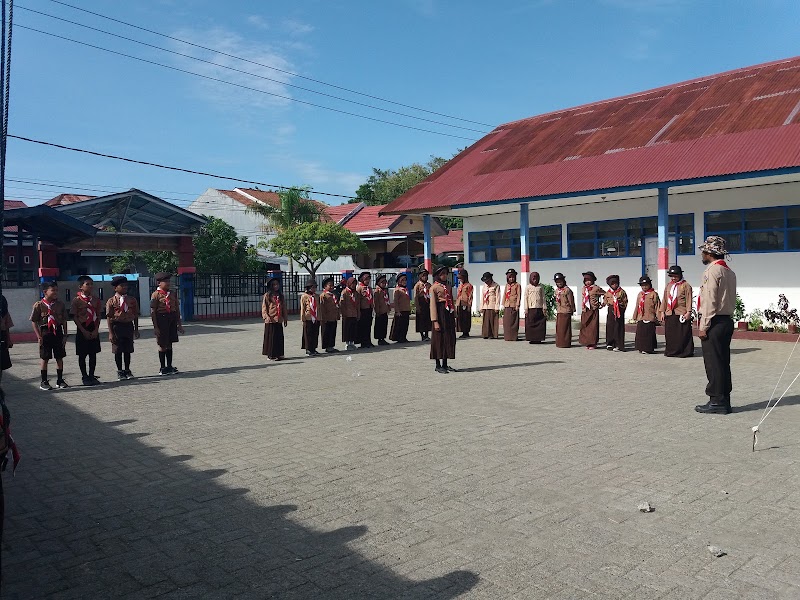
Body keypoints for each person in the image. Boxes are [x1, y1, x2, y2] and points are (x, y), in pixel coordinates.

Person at [695, 236, 737, 415]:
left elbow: (710, 300)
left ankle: (716, 401)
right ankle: (724, 399)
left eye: (703, 251)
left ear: (709, 253)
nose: (702, 255)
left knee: (713, 363)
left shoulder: (712, 271)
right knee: (722, 362)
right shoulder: (729, 272)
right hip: (726, 320)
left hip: (714, 321)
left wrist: (704, 325)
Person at [31, 281, 69, 390]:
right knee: (45, 357)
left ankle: (60, 380)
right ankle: (44, 381)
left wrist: (65, 334)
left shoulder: (60, 304)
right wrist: (39, 336)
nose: (55, 292)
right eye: (53, 290)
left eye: (57, 290)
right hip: (45, 333)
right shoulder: (39, 305)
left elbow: (64, 320)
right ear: (45, 292)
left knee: (59, 356)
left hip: (57, 332)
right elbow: (34, 321)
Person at [105, 276, 140, 381]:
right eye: (122, 286)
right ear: (115, 288)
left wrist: (136, 329)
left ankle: (127, 370)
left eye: (126, 285)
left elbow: (135, 315)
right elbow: (109, 317)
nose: (125, 287)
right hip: (117, 326)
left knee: (128, 349)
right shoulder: (111, 301)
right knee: (118, 350)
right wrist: (110, 332)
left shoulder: (132, 300)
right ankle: (120, 371)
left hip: (128, 325)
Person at [71, 275, 103, 386]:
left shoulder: (96, 300)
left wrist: (96, 330)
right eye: (87, 284)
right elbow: (74, 316)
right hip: (82, 328)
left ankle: (91, 375)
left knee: (93, 354)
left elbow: (98, 315)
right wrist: (83, 330)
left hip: (93, 327)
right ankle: (84, 376)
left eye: (91, 284)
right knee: (82, 354)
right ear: (81, 286)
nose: (90, 286)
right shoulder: (76, 301)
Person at [151, 273, 184, 374]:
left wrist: (179, 324)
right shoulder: (156, 294)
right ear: (159, 283)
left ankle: (169, 366)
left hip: (171, 318)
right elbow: (153, 312)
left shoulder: (172, 294)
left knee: (170, 343)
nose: (168, 283)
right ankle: (162, 367)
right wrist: (156, 327)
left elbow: (177, 309)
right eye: (166, 281)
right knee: (162, 344)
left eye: (169, 281)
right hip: (162, 319)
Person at [660, 265, 694, 358]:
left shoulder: (686, 285)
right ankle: (671, 351)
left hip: (681, 313)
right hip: (670, 312)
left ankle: (683, 352)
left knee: (682, 334)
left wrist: (688, 312)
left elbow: (689, 299)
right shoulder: (669, 285)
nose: (673, 278)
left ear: (680, 275)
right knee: (670, 334)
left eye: (675, 276)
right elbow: (664, 299)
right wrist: (662, 311)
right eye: (672, 276)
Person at [430, 266, 457, 374]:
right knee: (438, 339)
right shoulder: (434, 287)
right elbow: (432, 305)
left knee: (448, 337)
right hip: (439, 313)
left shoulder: (448, 286)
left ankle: (445, 363)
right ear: (437, 275)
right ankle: (438, 364)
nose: (444, 276)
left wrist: (454, 315)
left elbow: (451, 300)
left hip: (448, 313)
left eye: (445, 273)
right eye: (441, 274)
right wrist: (435, 321)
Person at [632, 276, 661, 354]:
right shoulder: (640, 294)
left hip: (650, 317)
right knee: (640, 333)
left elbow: (657, 306)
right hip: (641, 317)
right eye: (642, 285)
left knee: (649, 334)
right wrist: (635, 316)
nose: (644, 287)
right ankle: (641, 347)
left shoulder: (654, 294)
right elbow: (637, 305)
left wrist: (659, 317)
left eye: (646, 285)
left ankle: (648, 348)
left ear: (649, 285)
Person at [262, 277, 288, 360]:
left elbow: (283, 307)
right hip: (271, 320)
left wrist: (285, 318)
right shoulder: (267, 295)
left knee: (279, 337)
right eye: (274, 285)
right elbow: (264, 307)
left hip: (279, 319)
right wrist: (266, 316)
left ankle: (279, 353)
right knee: (271, 338)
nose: (276, 286)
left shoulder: (280, 296)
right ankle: (271, 354)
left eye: (277, 284)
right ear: (271, 286)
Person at [578, 271, 604, 350]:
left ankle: (593, 343)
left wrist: (602, 304)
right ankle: (586, 342)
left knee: (593, 327)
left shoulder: (596, 288)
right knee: (585, 326)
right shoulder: (583, 288)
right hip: (585, 309)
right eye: (586, 280)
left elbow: (606, 294)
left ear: (593, 280)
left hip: (593, 309)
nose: (587, 282)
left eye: (589, 280)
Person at [603, 275, 628, 352]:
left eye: (616, 283)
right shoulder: (608, 292)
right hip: (611, 310)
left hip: (619, 311)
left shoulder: (621, 292)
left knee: (618, 327)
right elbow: (605, 300)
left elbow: (625, 301)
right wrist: (603, 304)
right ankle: (610, 343)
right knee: (610, 326)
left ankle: (618, 344)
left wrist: (621, 305)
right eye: (612, 284)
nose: (614, 285)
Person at [319, 277, 340, 353]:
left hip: (333, 317)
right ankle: (327, 346)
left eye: (332, 285)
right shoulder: (323, 295)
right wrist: (323, 317)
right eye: (329, 285)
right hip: (327, 317)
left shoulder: (333, 295)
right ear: (325, 286)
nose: (332, 287)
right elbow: (322, 307)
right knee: (326, 332)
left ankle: (331, 345)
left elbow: (336, 305)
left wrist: (337, 314)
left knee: (332, 332)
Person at [553, 273, 575, 348]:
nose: (559, 283)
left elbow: (571, 301)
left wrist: (572, 309)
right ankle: (559, 342)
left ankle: (565, 343)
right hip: (559, 311)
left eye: (560, 281)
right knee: (559, 329)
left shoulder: (567, 290)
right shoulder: (557, 291)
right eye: (557, 282)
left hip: (566, 311)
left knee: (565, 329)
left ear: (563, 281)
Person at [524, 272, 546, 344]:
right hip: (531, 308)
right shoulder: (528, 287)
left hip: (539, 307)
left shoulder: (541, 287)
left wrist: (544, 307)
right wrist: (526, 308)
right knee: (530, 324)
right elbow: (525, 298)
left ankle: (538, 339)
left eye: (536, 278)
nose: (535, 280)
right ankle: (531, 339)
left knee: (540, 325)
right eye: (533, 278)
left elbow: (543, 297)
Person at [300, 281, 321, 356]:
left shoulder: (317, 296)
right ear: (308, 288)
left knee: (315, 333)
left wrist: (319, 317)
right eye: (312, 287)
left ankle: (314, 348)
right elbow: (303, 307)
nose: (314, 289)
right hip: (308, 317)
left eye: (315, 287)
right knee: (308, 333)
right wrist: (303, 318)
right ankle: (308, 349)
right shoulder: (304, 296)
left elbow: (319, 307)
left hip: (316, 317)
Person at [389, 273, 411, 343]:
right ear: (398, 281)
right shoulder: (397, 290)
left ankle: (404, 337)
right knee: (399, 325)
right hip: (400, 311)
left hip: (406, 310)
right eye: (402, 280)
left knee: (405, 325)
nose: (404, 282)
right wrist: (397, 311)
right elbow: (395, 301)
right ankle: (399, 338)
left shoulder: (405, 289)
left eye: (405, 280)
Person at [340, 276, 360, 351]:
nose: (353, 285)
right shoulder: (344, 292)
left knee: (353, 329)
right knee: (347, 329)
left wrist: (358, 313)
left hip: (354, 314)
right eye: (352, 284)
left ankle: (352, 342)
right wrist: (343, 313)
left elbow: (358, 304)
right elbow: (342, 303)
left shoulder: (356, 293)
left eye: (355, 284)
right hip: (347, 314)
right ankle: (347, 343)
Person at [356, 272, 375, 348]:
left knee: (368, 326)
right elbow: (358, 300)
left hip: (369, 309)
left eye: (369, 279)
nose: (368, 281)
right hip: (362, 309)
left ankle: (368, 341)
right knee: (363, 327)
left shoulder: (369, 288)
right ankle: (363, 342)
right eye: (366, 279)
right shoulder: (359, 288)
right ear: (362, 279)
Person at [502, 269, 521, 341]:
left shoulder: (517, 285)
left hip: (514, 305)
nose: (511, 279)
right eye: (510, 277)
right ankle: (507, 336)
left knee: (514, 322)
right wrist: (503, 304)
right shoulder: (507, 286)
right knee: (507, 322)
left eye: (513, 277)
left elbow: (519, 295)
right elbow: (504, 294)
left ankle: (513, 337)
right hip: (507, 305)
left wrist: (517, 305)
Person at [480, 272, 500, 339]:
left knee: (492, 321)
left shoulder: (496, 286)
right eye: (485, 281)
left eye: (487, 281)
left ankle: (492, 334)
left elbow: (498, 297)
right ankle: (486, 334)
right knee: (486, 322)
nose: (486, 282)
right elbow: (482, 297)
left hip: (492, 305)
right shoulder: (484, 286)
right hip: (486, 306)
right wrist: (481, 307)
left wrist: (497, 307)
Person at [414, 268, 432, 342]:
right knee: (421, 320)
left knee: (427, 319)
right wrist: (417, 307)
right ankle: (422, 335)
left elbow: (431, 294)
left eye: (426, 276)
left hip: (427, 303)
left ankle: (427, 334)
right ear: (420, 276)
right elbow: (415, 297)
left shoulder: (429, 285)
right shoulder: (417, 285)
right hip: (421, 304)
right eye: (423, 276)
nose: (425, 277)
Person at [373, 274, 391, 346]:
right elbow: (376, 302)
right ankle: (379, 339)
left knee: (384, 325)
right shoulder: (377, 291)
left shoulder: (385, 290)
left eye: (385, 282)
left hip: (384, 311)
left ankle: (383, 338)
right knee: (379, 326)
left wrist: (388, 308)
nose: (384, 284)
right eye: (382, 282)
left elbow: (387, 300)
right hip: (379, 311)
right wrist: (377, 311)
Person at [455, 270, 474, 338]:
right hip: (459, 303)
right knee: (460, 318)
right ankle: (462, 330)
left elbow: (470, 296)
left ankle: (466, 332)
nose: (460, 279)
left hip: (465, 303)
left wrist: (469, 305)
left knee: (466, 318)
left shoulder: (469, 285)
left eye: (461, 278)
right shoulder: (460, 285)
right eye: (459, 278)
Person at [0, 295, 13, 380]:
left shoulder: (2, 300)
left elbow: (6, 323)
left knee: (1, 364)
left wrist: (8, 339)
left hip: (1, 335)